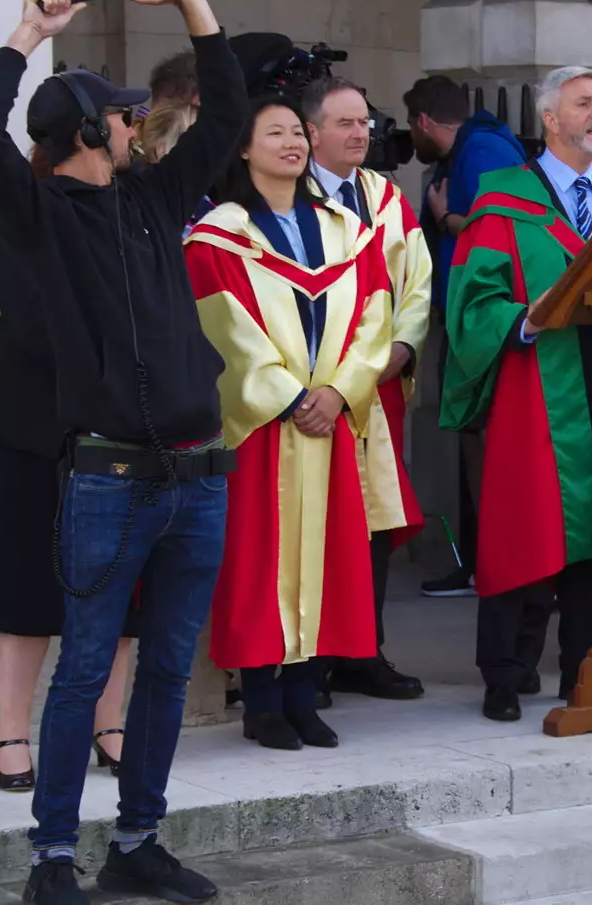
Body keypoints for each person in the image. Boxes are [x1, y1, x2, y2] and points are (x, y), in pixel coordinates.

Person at [0, 0, 246, 905]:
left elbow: (225, 112)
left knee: (166, 666)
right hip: (108, 478)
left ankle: (138, 838)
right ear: (87, 132)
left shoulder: (155, 199)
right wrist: (26, 32)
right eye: (120, 119)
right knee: (83, 666)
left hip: (198, 475)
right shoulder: (40, 215)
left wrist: (195, 7)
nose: (135, 128)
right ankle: (51, 857)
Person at [440, 66, 592, 722]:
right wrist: (526, 318)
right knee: (523, 527)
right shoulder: (502, 200)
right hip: (537, 383)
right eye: (583, 105)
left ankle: (584, 669)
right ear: (550, 120)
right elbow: (471, 302)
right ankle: (506, 672)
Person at [185, 96, 392, 750]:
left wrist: (338, 392)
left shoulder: (345, 231)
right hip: (264, 426)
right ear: (244, 149)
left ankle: (305, 692)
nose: (293, 143)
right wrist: (286, 396)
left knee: (327, 557)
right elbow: (226, 329)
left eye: (298, 132)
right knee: (258, 558)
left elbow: (373, 319)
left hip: (327, 422)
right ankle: (262, 699)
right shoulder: (219, 235)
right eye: (275, 133)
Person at [0, 175, 136, 794]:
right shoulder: (19, 221)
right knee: (23, 583)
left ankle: (109, 724)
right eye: (120, 120)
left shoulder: (130, 213)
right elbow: (36, 323)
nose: (131, 132)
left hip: (119, 424)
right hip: (28, 426)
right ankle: (12, 731)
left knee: (121, 583)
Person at [301, 76, 429, 701]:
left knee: (374, 521)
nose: (361, 134)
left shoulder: (384, 196)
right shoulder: (286, 197)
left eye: (365, 124)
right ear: (312, 133)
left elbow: (417, 284)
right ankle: (310, 659)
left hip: (379, 394)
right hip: (315, 396)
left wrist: (402, 350)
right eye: (346, 124)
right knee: (316, 522)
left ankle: (363, 649)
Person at [406, 74, 528, 599]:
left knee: (482, 441)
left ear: (426, 123)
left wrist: (445, 217)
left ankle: (491, 563)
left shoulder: (483, 149)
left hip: (482, 322)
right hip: (465, 317)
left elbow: (501, 228)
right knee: (468, 441)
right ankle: (481, 560)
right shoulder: (481, 145)